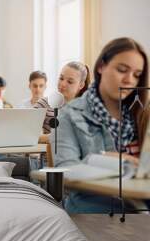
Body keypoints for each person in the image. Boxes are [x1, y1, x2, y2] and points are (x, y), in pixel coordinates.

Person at [53, 37, 149, 213]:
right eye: (122, 70)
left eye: (136, 75)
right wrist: (110, 161)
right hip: (97, 210)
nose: (129, 80)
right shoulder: (69, 115)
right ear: (101, 67)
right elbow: (65, 171)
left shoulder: (141, 114)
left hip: (143, 207)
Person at [34, 62, 90, 134]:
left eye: (70, 82)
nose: (63, 84)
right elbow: (27, 133)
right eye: (61, 78)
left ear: (81, 85)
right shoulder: (43, 104)